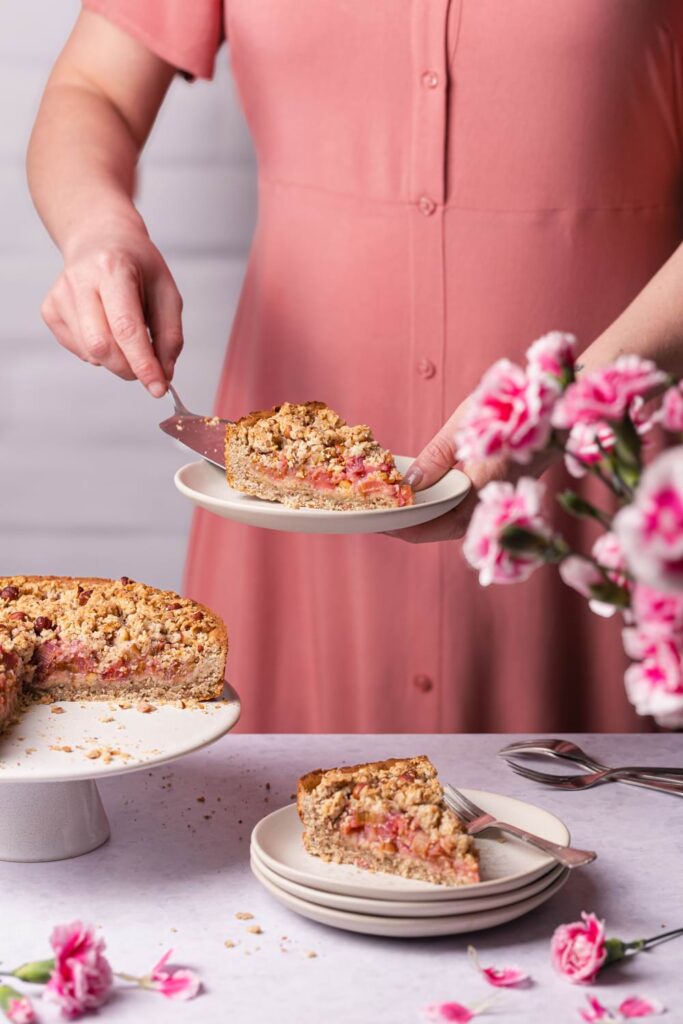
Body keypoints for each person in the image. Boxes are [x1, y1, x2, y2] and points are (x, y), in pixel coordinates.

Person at [28, 2, 683, 732]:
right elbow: (95, 90)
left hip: (605, 469)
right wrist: (98, 229)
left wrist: (575, 393)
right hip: (285, 498)